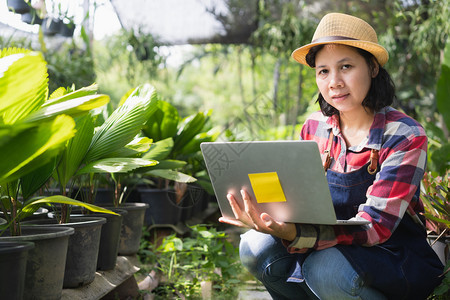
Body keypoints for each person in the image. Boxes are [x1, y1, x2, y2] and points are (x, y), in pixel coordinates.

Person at [219, 12, 444, 300]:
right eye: (323, 71)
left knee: (324, 268)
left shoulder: (404, 135)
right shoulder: (315, 126)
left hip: (391, 256)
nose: (334, 82)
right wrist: (266, 213)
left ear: (372, 67)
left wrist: (296, 234)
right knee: (254, 246)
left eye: (346, 66)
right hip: (326, 243)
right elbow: (296, 198)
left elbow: (375, 228)